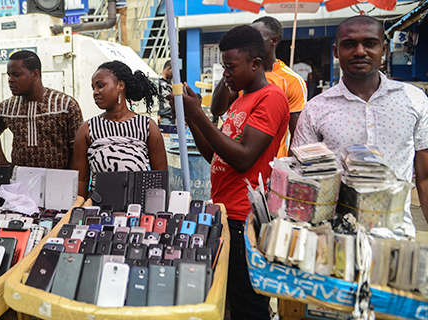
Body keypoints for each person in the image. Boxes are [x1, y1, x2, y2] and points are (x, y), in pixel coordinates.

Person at [176, 25, 289, 320]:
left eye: (230, 67)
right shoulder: (239, 100)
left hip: (244, 219)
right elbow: (216, 156)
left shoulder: (272, 98)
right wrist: (192, 120)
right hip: (225, 214)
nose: (225, 74)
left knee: (248, 306)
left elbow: (243, 160)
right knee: (228, 300)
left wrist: (200, 114)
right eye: (223, 67)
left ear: (255, 63)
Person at [292, 15, 428, 237]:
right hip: (334, 240)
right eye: (349, 44)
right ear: (336, 51)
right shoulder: (315, 109)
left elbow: (425, 177)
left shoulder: (414, 100)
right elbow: (302, 179)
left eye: (370, 43)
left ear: (383, 48)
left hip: (396, 238)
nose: (360, 51)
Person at [211, 16, 306, 158]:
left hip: (270, 165)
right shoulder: (241, 75)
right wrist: (230, 69)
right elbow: (217, 110)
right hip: (234, 158)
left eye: (257, 37)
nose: (250, 42)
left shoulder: (291, 80)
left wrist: (290, 171)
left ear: (274, 40)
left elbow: (297, 134)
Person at [72, 60, 168, 198]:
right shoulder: (87, 130)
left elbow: (160, 178)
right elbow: (81, 181)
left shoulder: (147, 126)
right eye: (93, 88)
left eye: (100, 86)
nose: (95, 92)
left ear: (120, 85)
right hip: (98, 211)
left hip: (136, 210)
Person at [0, 51, 83, 169]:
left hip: (58, 180)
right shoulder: (7, 107)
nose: (10, 80)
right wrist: (1, 160)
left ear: (35, 74)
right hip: (21, 183)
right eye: (9, 75)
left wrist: (70, 178)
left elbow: (78, 148)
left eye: (16, 75)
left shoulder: (65, 105)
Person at [157, 60, 175, 125]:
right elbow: (155, 98)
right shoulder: (158, 81)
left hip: (172, 117)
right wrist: (157, 114)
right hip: (163, 117)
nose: (174, 74)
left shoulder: (171, 83)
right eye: (173, 71)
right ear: (168, 68)